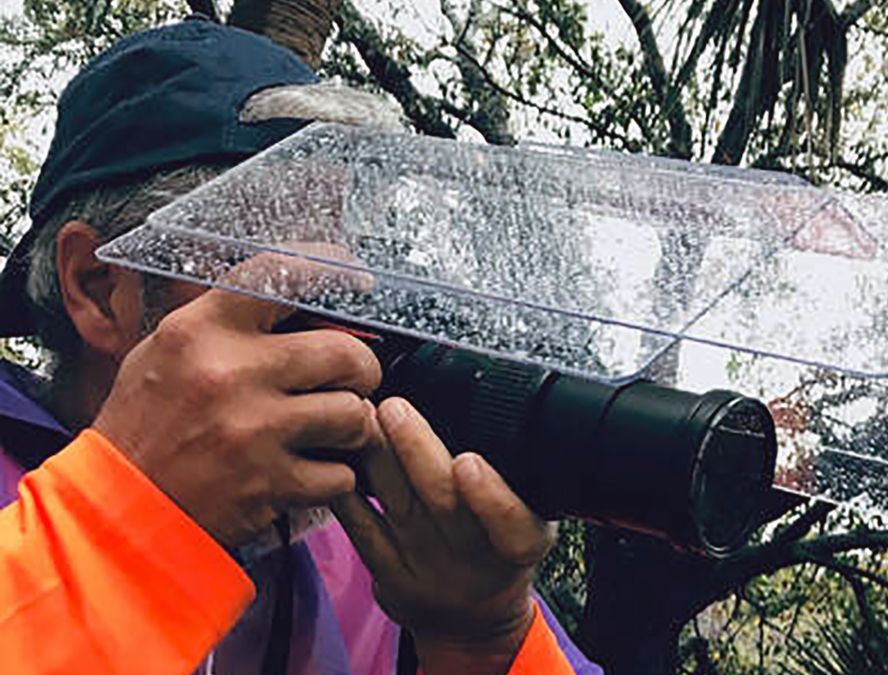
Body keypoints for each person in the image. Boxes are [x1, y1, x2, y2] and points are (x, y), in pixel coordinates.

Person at [0, 16, 600, 675]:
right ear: (98, 286)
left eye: (352, 293)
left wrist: (481, 641)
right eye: (284, 283)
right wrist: (129, 527)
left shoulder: (376, 546)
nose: (346, 343)